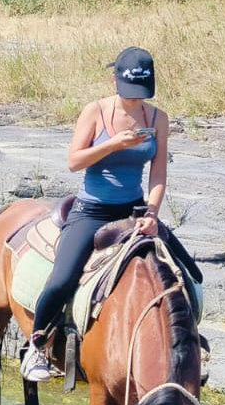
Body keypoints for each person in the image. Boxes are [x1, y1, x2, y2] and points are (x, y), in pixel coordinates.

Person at [21, 46, 169, 382]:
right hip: (91, 210)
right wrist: (114, 144)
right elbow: (75, 162)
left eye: (140, 95)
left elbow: (158, 174)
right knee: (61, 279)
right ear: (115, 81)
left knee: (178, 272)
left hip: (133, 210)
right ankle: (37, 345)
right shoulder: (95, 111)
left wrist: (153, 213)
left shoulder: (159, 119)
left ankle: (179, 343)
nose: (135, 101)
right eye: (129, 94)